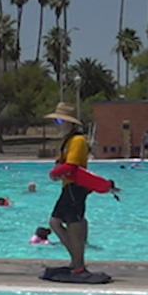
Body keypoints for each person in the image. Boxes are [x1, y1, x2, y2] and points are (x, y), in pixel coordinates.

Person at [46, 101, 98, 275]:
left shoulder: (77, 140)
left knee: (71, 225)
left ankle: (78, 262)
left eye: (60, 121)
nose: (57, 125)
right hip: (69, 187)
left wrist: (54, 173)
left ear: (70, 123)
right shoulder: (68, 141)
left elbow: (72, 166)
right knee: (59, 222)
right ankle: (76, 261)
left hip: (75, 188)